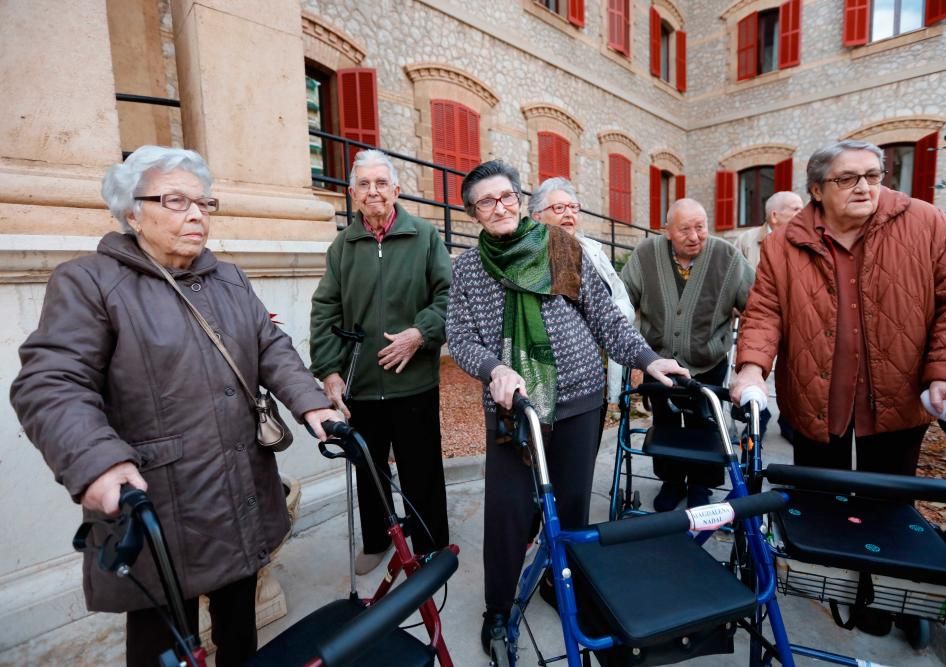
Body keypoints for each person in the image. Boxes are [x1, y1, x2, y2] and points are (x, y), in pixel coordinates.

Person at [9, 146, 342, 667]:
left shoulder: (228, 279)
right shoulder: (91, 282)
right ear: (132, 211)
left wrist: (312, 405)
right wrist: (98, 460)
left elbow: (270, 348)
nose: (196, 214)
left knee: (240, 623)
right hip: (161, 505)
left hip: (239, 490)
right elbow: (50, 382)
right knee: (163, 643)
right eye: (175, 200)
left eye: (204, 203)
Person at [729, 140, 946, 631]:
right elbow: (765, 311)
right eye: (848, 179)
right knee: (820, 504)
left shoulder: (924, 223)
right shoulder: (786, 240)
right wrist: (751, 368)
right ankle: (833, 583)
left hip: (894, 401)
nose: (865, 186)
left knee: (888, 504)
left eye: (874, 174)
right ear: (817, 190)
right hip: (814, 396)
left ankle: (887, 596)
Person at [445, 160, 689, 655]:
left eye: (506, 196)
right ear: (473, 212)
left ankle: (562, 584)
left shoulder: (560, 246)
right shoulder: (469, 268)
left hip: (580, 399)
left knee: (574, 506)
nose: (500, 207)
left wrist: (648, 359)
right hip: (517, 408)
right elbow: (460, 337)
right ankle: (498, 608)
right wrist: (495, 369)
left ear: (518, 197)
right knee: (509, 514)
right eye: (486, 201)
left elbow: (605, 319)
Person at [310, 149, 452, 575]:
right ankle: (377, 539)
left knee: (421, 467)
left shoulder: (425, 237)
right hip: (362, 382)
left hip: (414, 381)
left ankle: (430, 543)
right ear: (352, 194)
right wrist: (329, 370)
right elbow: (325, 309)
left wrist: (419, 333)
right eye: (364, 185)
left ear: (396, 189)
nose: (374, 192)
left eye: (381, 183)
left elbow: (449, 299)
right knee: (368, 467)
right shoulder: (343, 246)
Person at [621, 198, 754, 511]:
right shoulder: (645, 254)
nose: (695, 236)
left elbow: (757, 307)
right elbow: (622, 300)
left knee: (705, 424)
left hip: (709, 361)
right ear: (667, 231)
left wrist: (749, 364)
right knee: (665, 421)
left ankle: (701, 486)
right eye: (685, 230)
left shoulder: (727, 256)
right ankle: (671, 480)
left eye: (701, 227)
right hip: (659, 364)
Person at [528, 177, 636, 421]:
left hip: (597, 367)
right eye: (559, 208)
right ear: (536, 216)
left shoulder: (593, 251)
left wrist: (611, 318)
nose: (569, 214)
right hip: (551, 376)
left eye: (573, 208)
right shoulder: (528, 259)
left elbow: (621, 299)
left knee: (586, 447)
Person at [733, 191, 804, 442]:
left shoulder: (804, 239)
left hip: (795, 320)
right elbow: (733, 280)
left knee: (793, 372)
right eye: (795, 209)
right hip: (758, 319)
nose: (802, 213)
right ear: (775, 215)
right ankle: (757, 420)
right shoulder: (746, 240)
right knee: (753, 371)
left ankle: (789, 419)